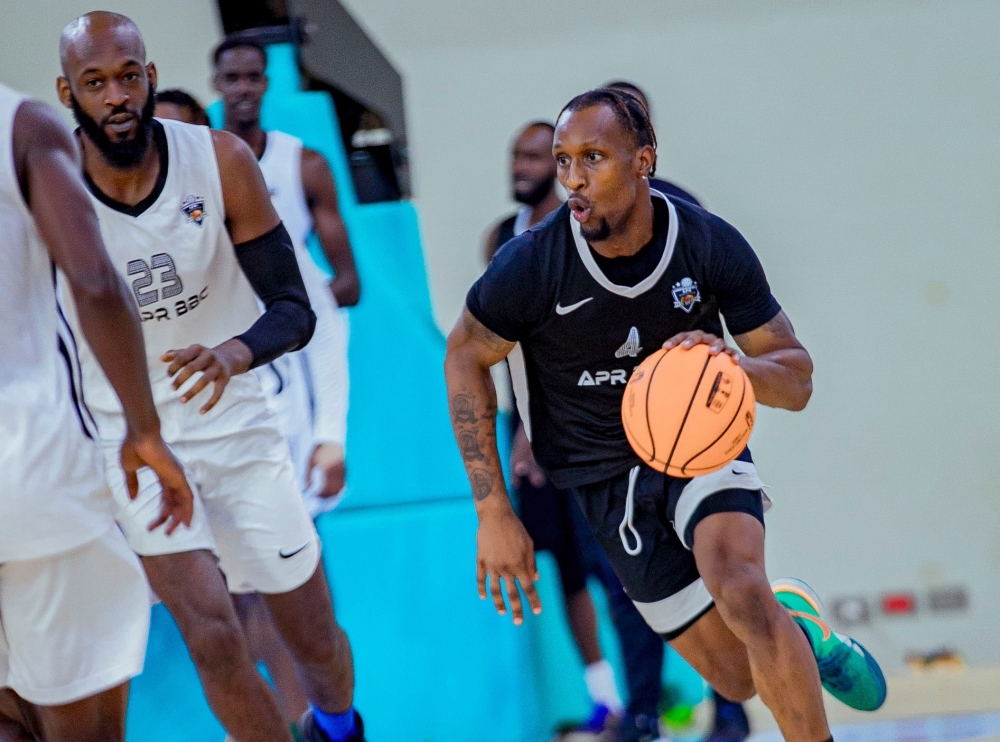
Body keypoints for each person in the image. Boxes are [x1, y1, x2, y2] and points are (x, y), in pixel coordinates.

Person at [445, 87, 887, 742]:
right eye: (564, 160)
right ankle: (802, 630)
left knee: (739, 585)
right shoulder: (532, 263)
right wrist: (492, 512)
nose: (573, 178)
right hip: (599, 477)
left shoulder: (706, 244)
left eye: (592, 157)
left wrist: (732, 369)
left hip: (702, 446)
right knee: (737, 677)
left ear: (643, 160)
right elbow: (464, 358)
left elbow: (796, 378)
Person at [55, 13, 364, 742]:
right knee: (215, 640)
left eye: (128, 76)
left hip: (240, 427)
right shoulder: (52, 192)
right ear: (68, 95)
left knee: (316, 642)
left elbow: (296, 310)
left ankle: (342, 728)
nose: (116, 95)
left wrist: (232, 354)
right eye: (94, 83)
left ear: (150, 77)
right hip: (132, 443)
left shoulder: (221, 160)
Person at [0, 83, 193, 741]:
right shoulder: (22, 125)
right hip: (26, 467)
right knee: (85, 723)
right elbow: (94, 281)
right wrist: (144, 428)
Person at [487, 120, 675, 742]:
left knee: (624, 569)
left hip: (602, 422)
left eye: (537, 155)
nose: (524, 165)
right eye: (522, 154)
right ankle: (607, 699)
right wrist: (523, 429)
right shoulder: (504, 240)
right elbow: (505, 346)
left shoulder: (598, 233)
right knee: (563, 566)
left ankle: (662, 702)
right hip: (534, 424)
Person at [606, 78, 751, 742]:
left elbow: (724, 314)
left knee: (719, 568)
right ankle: (643, 714)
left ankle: (730, 707)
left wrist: (717, 374)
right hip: (608, 441)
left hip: (690, 426)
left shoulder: (687, 215)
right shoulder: (567, 232)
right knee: (632, 585)